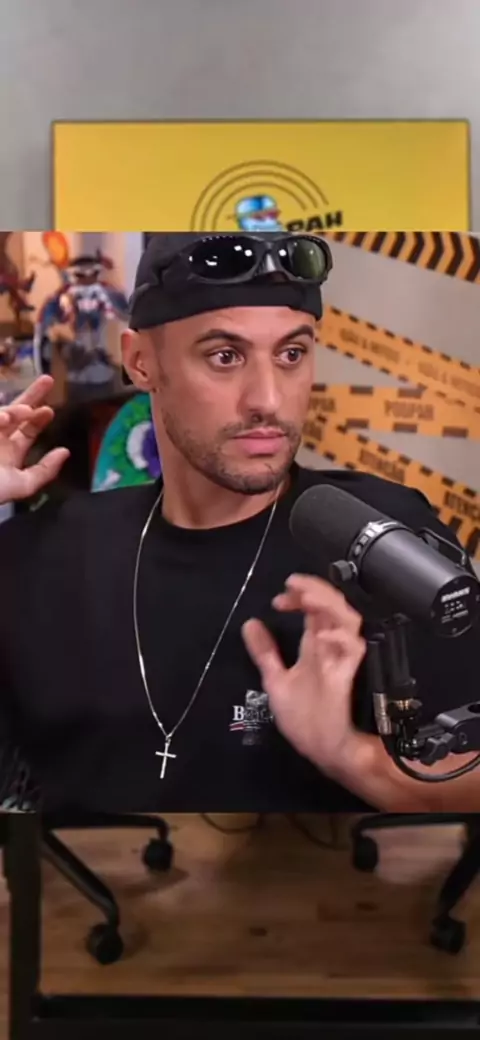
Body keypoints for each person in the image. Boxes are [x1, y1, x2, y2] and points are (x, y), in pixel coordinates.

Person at [0, 231, 478, 816]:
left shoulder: (385, 540)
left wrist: (349, 755)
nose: (268, 399)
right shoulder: (48, 549)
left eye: (292, 354)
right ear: (141, 361)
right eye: (224, 356)